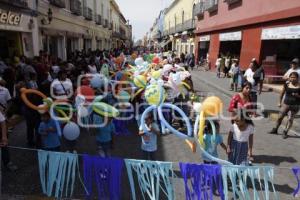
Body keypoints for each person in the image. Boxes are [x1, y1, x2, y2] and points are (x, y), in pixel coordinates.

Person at [269, 72, 300, 139]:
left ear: (297, 78)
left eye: (294, 77)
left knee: (290, 119)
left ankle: (285, 132)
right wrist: (279, 102)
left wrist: (298, 96)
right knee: (280, 117)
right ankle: (275, 129)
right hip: (286, 104)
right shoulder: (287, 84)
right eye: (291, 77)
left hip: (295, 105)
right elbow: (282, 93)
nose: (292, 78)